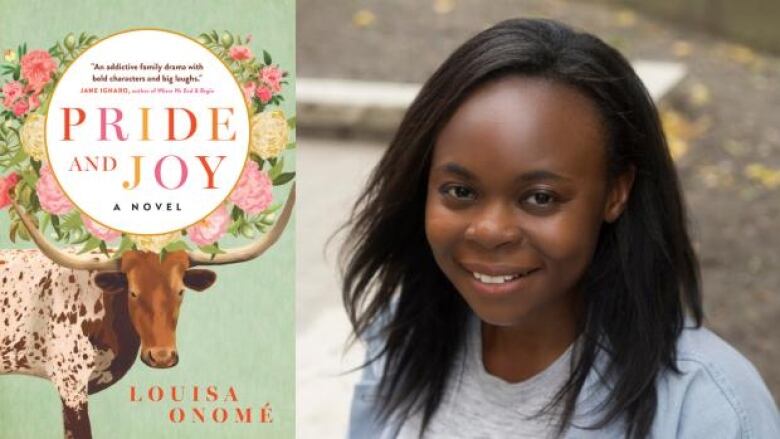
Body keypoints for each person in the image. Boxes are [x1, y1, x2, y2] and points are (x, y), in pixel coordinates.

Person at [340, 18, 780, 439]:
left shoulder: (708, 406)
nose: (490, 231)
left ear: (615, 193)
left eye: (540, 198)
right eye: (459, 191)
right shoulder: (402, 331)